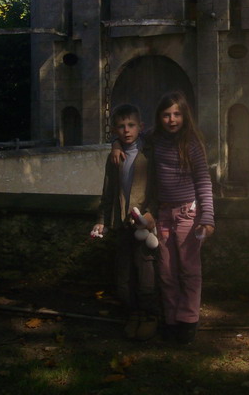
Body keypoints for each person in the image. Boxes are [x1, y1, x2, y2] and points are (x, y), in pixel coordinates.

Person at [112, 91, 215, 345]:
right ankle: (170, 319)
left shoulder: (192, 143)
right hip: (163, 214)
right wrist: (115, 145)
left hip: (188, 213)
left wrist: (208, 217)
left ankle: (188, 321)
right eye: (167, 114)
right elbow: (130, 136)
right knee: (166, 271)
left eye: (177, 114)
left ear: (184, 116)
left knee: (189, 270)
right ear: (159, 117)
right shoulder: (154, 138)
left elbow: (203, 181)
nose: (172, 119)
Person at [91, 104, 158, 341]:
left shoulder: (150, 151)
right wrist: (102, 220)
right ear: (114, 129)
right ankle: (133, 314)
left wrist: (152, 214)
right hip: (121, 223)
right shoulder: (115, 157)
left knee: (146, 272)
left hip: (143, 223)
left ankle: (149, 316)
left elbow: (159, 189)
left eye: (131, 125)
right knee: (124, 276)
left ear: (140, 126)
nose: (126, 130)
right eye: (121, 126)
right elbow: (108, 191)